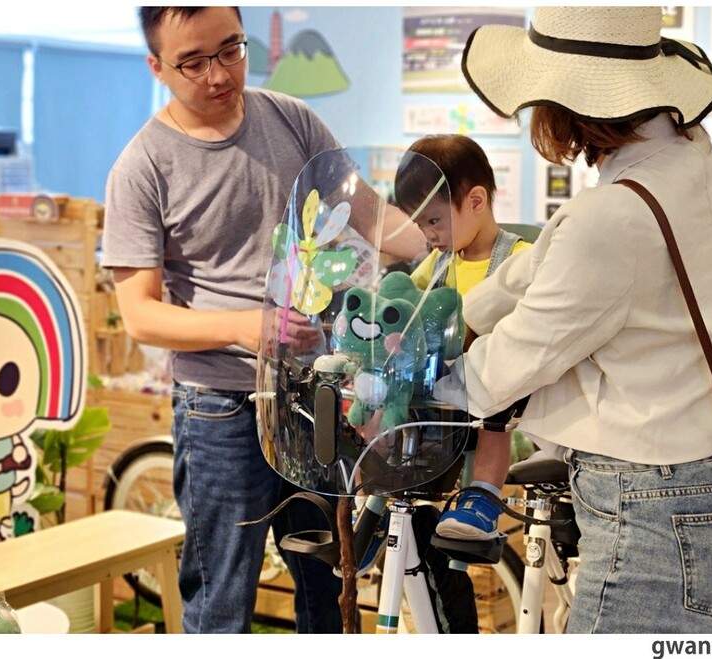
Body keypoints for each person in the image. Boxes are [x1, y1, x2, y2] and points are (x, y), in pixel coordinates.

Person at [101, 7, 424, 634]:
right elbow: (139, 316)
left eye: (231, 50)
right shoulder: (141, 167)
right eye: (193, 62)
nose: (219, 74)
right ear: (156, 66)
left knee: (331, 587)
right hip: (222, 405)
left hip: (315, 393)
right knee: (222, 598)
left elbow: (370, 215)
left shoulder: (291, 118)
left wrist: (447, 246)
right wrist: (246, 327)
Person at [434, 6, 712, 633]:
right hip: (707, 471)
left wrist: (412, 381)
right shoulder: (684, 153)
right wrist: (456, 317)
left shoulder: (611, 219)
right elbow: (550, 257)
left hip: (649, 505)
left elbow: (509, 364)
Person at [394, 134, 532, 541]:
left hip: (493, 385)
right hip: (442, 388)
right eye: (419, 224)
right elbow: (409, 301)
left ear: (475, 201)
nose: (428, 235)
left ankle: (484, 494)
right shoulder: (439, 261)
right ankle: (381, 502)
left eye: (434, 221)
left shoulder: (520, 258)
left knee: (498, 408)